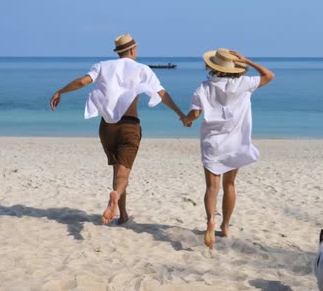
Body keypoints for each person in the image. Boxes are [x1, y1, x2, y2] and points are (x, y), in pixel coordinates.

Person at [50, 33, 185, 225]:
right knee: (123, 174)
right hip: (129, 125)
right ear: (132, 50)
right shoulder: (142, 69)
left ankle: (123, 215)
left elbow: (82, 82)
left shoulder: (102, 66)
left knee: (117, 171)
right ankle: (114, 197)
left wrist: (60, 91)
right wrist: (181, 114)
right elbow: (161, 94)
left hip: (107, 128)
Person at [181, 48, 275, 249]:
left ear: (212, 66)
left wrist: (185, 120)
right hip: (235, 143)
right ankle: (224, 226)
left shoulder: (204, 87)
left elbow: (194, 114)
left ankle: (210, 223)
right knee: (229, 185)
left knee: (212, 187)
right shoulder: (244, 83)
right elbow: (269, 75)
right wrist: (248, 60)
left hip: (212, 144)